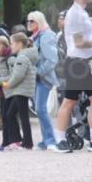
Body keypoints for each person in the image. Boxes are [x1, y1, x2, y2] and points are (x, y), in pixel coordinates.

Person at [53, 0, 92, 152]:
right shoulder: (75, 14)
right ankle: (60, 141)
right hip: (76, 64)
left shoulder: (81, 13)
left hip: (86, 62)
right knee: (70, 101)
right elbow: (80, 43)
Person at [0, 33, 37, 150]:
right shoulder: (21, 56)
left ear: (20, 44)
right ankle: (22, 142)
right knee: (15, 116)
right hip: (19, 90)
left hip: (20, 91)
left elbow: (17, 75)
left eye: (12, 43)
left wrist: (7, 84)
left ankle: (25, 143)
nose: (11, 46)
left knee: (17, 116)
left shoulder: (21, 57)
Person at [27, 11, 58, 150]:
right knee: (39, 110)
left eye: (32, 21)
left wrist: (38, 72)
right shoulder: (34, 37)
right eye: (28, 21)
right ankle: (46, 140)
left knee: (40, 109)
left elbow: (52, 60)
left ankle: (51, 140)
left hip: (43, 78)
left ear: (39, 21)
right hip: (35, 78)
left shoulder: (46, 36)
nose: (29, 23)